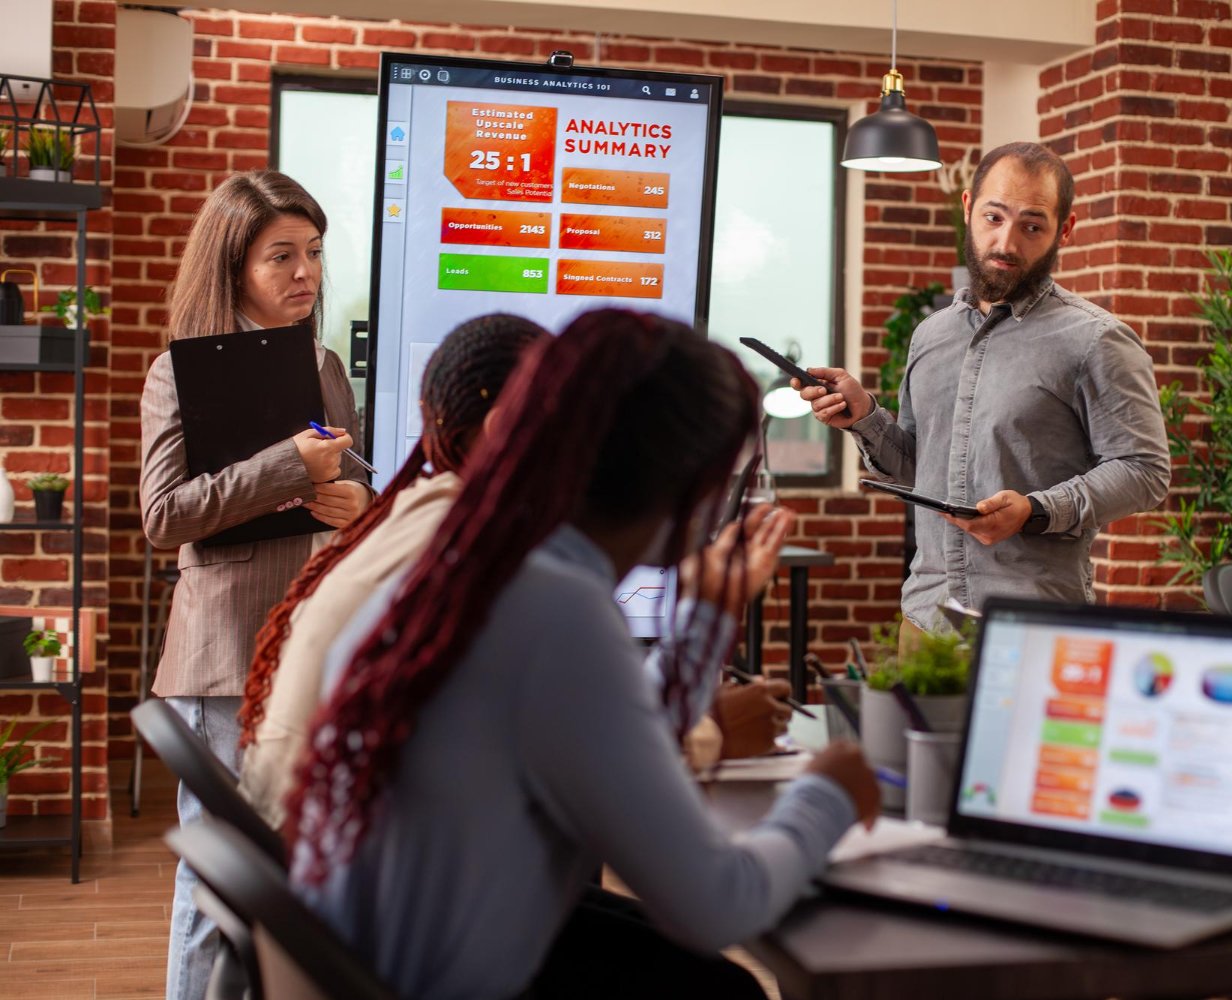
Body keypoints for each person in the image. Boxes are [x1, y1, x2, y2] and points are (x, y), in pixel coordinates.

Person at [289, 309, 879, 1000]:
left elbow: (608, 750)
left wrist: (703, 620)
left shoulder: (482, 563)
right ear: (687, 486)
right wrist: (829, 792)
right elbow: (719, 904)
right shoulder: (554, 611)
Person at [237, 312, 793, 829]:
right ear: (507, 426)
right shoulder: (485, 558)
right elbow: (595, 766)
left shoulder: (430, 515)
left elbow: (555, 725)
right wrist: (709, 731)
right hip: (346, 888)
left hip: (314, 872)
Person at [139, 169, 371, 1000]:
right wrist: (286, 467)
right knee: (220, 886)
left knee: (301, 883)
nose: (304, 272)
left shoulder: (325, 365)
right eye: (281, 256)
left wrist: (355, 503)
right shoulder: (180, 372)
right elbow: (164, 516)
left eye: (312, 253)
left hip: (313, 654)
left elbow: (355, 488)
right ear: (234, 263)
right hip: (226, 661)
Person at [801, 142, 1170, 632]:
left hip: (1031, 624)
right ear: (969, 209)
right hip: (926, 617)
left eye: (1032, 226)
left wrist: (1035, 510)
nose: (1007, 243)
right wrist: (865, 415)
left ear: (1066, 230)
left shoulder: (1096, 340)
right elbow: (921, 470)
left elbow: (1145, 471)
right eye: (994, 218)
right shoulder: (931, 335)